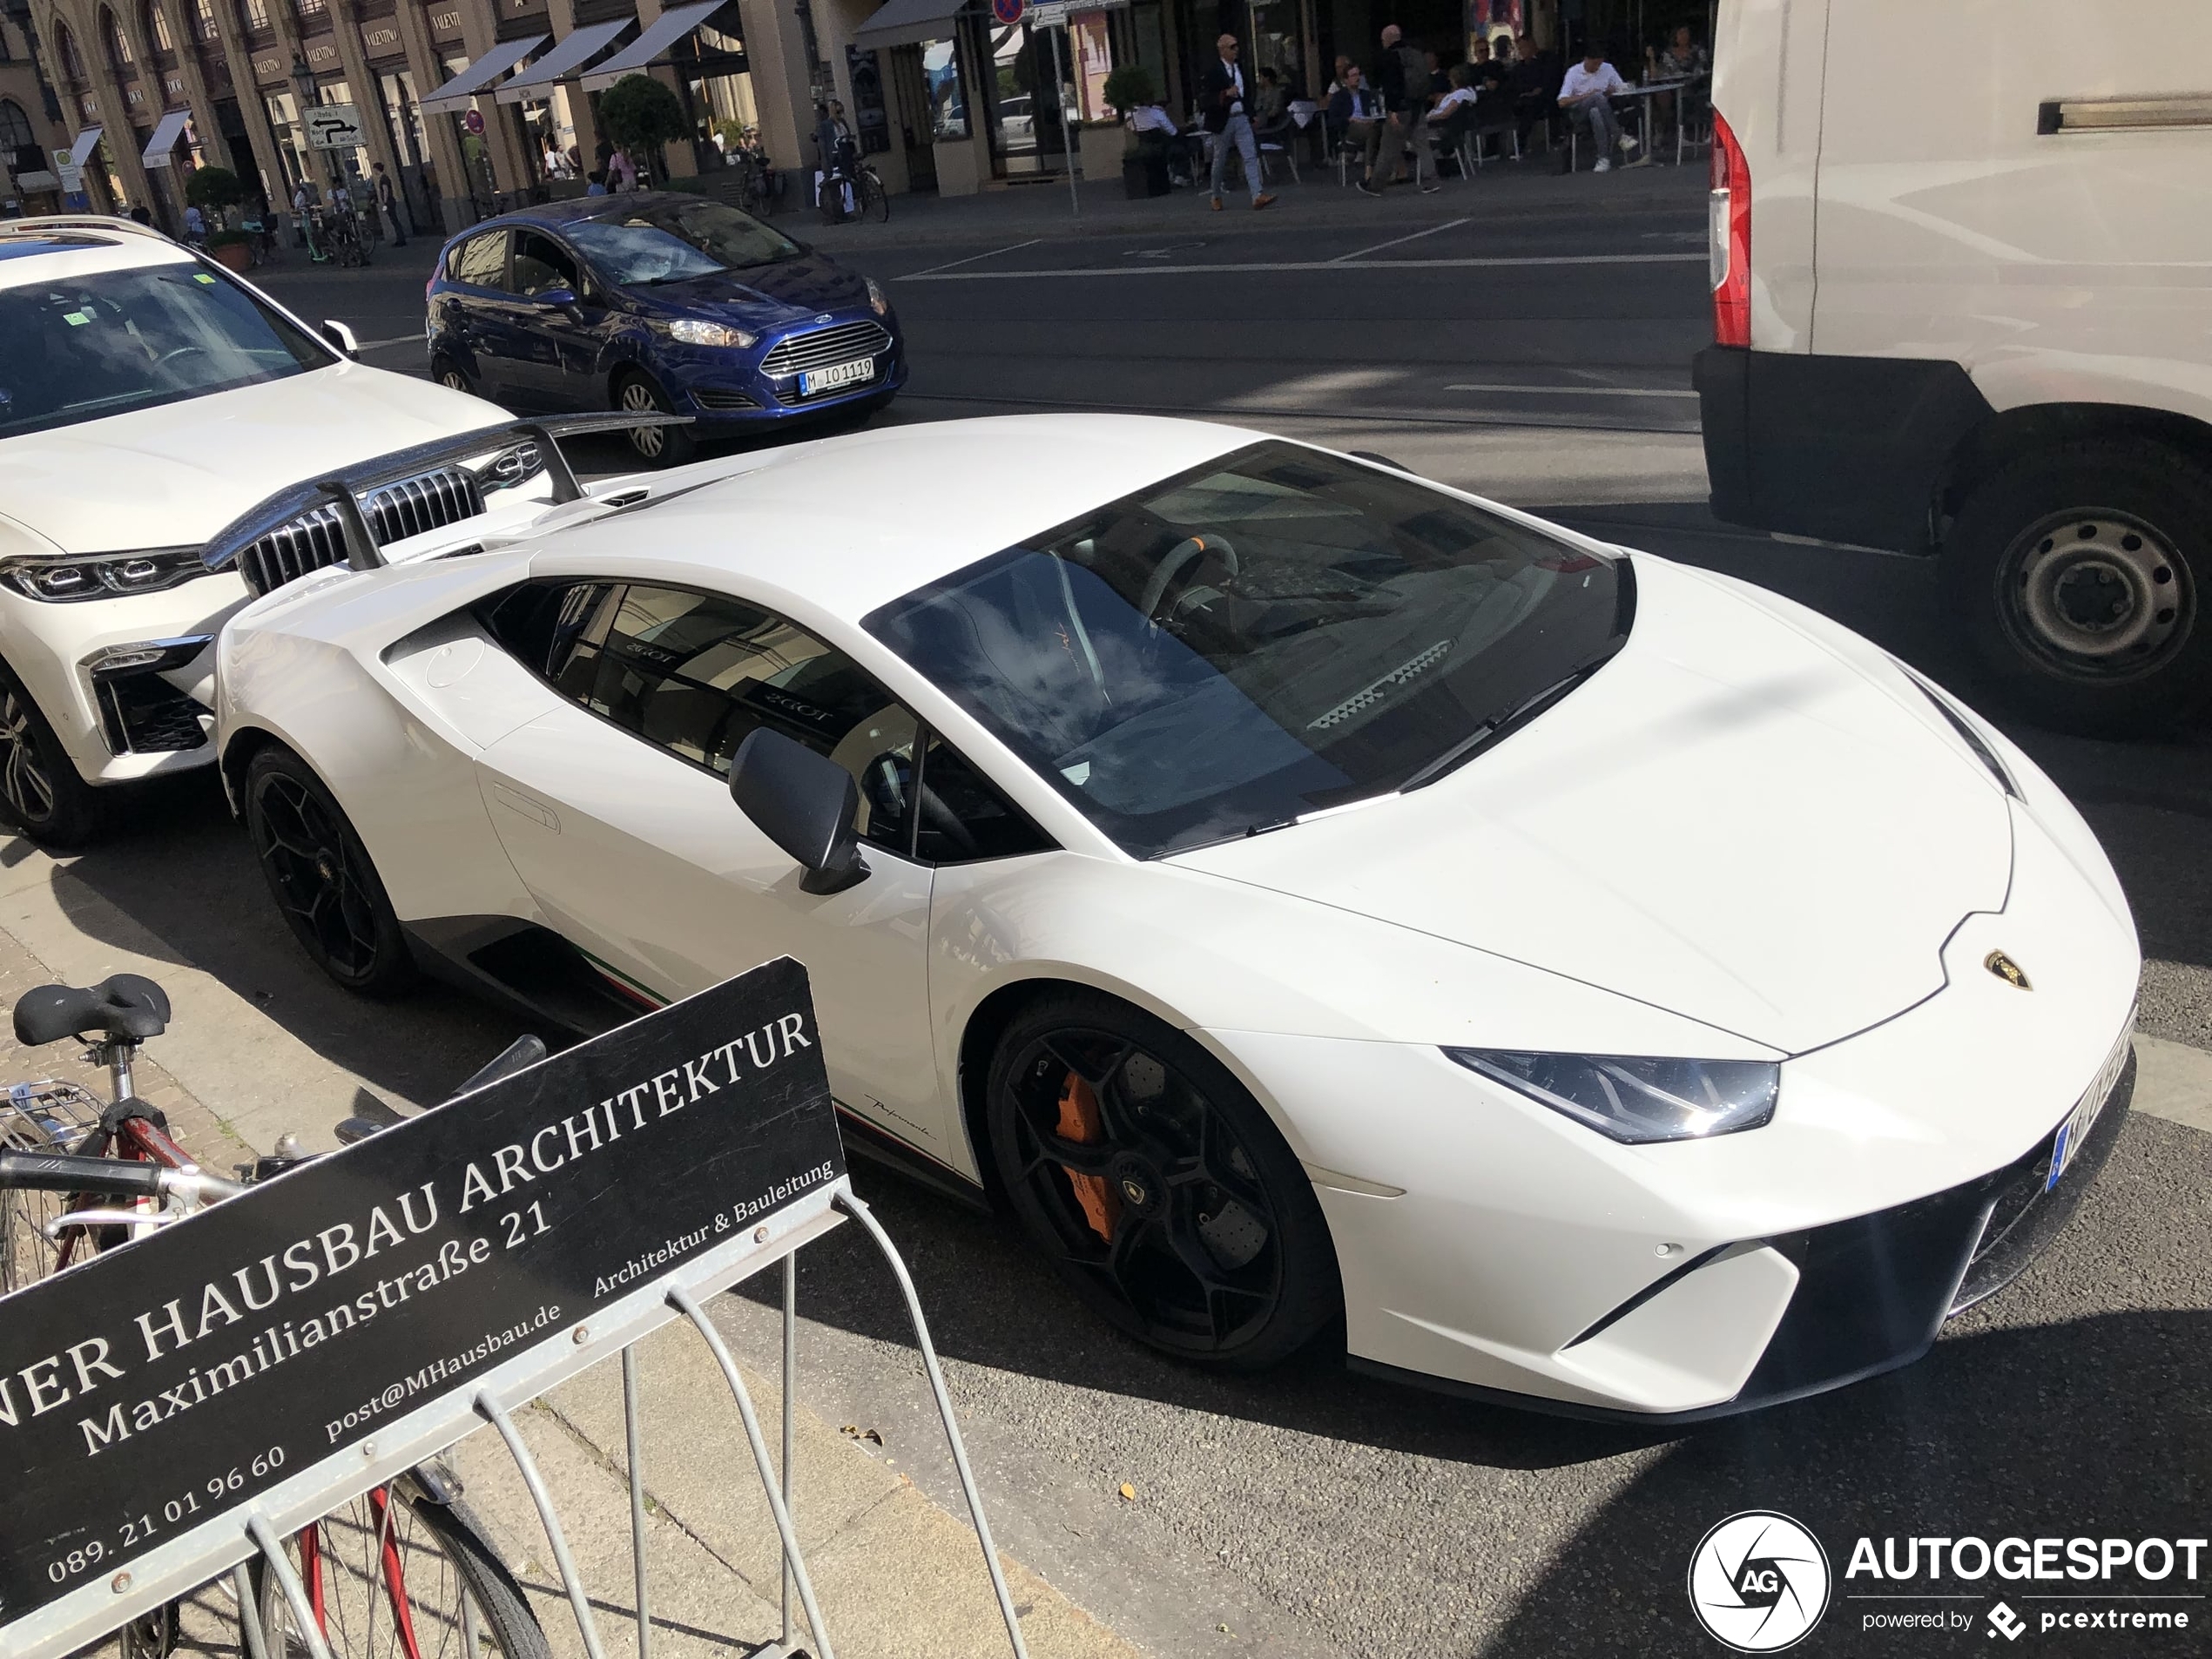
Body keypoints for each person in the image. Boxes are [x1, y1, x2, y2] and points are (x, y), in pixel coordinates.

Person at [1200, 32, 1276, 212]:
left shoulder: (1241, 68)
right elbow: (1205, 98)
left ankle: (1257, 195)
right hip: (1223, 120)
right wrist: (1224, 94)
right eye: (1232, 47)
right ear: (1222, 50)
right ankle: (1216, 194)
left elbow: (1246, 94)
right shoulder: (1213, 71)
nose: (1236, 50)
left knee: (1250, 156)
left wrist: (1250, 114)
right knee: (1220, 159)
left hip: (1240, 118)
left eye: (1237, 46)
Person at [1371, 24, 1440, 192]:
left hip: (1400, 108)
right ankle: (1431, 180)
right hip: (1418, 105)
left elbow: (1391, 86)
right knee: (1422, 144)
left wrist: (1392, 110)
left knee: (1388, 146)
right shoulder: (1416, 54)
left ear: (1387, 39)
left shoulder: (1390, 57)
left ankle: (1376, 184)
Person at [1558, 44, 1635, 171]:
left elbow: (1622, 87)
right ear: (1586, 60)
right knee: (1596, 96)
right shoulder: (1573, 72)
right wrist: (1586, 96)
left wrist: (1612, 90)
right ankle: (1619, 134)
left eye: (1599, 64)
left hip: (1602, 110)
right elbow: (1562, 101)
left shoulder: (1608, 68)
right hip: (1579, 111)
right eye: (1594, 64)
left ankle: (1603, 158)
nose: (1597, 68)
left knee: (1596, 112)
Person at [1331, 64, 1386, 191]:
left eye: (1358, 74)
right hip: (1351, 127)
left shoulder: (1367, 94)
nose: (1357, 78)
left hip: (1369, 125)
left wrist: (1372, 119)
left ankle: (1378, 171)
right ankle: (1370, 171)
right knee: (1374, 132)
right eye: (1353, 75)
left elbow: (1377, 111)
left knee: (1380, 131)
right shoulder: (1339, 97)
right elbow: (1333, 119)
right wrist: (1349, 119)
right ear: (1346, 80)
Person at [370, 160, 407, 246]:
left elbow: (385, 190)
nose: (374, 172)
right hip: (390, 201)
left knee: (394, 220)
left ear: (377, 169)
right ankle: (400, 239)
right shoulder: (384, 178)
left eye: (374, 169)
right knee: (394, 221)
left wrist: (385, 203)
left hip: (389, 202)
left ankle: (401, 240)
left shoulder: (383, 179)